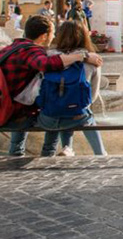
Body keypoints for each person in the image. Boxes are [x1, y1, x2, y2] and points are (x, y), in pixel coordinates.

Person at [1, 15, 102, 156]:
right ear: (43, 36)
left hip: (6, 109)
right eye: (52, 32)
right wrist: (83, 56)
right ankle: (57, 152)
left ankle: (19, 156)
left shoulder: (10, 49)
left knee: (53, 107)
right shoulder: (33, 52)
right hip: (15, 114)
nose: (54, 36)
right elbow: (46, 64)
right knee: (57, 109)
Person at [38, 20, 106, 157]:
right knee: (83, 112)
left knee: (59, 108)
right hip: (77, 116)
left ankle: (58, 150)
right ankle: (100, 153)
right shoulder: (92, 61)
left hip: (49, 117)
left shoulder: (49, 57)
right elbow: (92, 96)